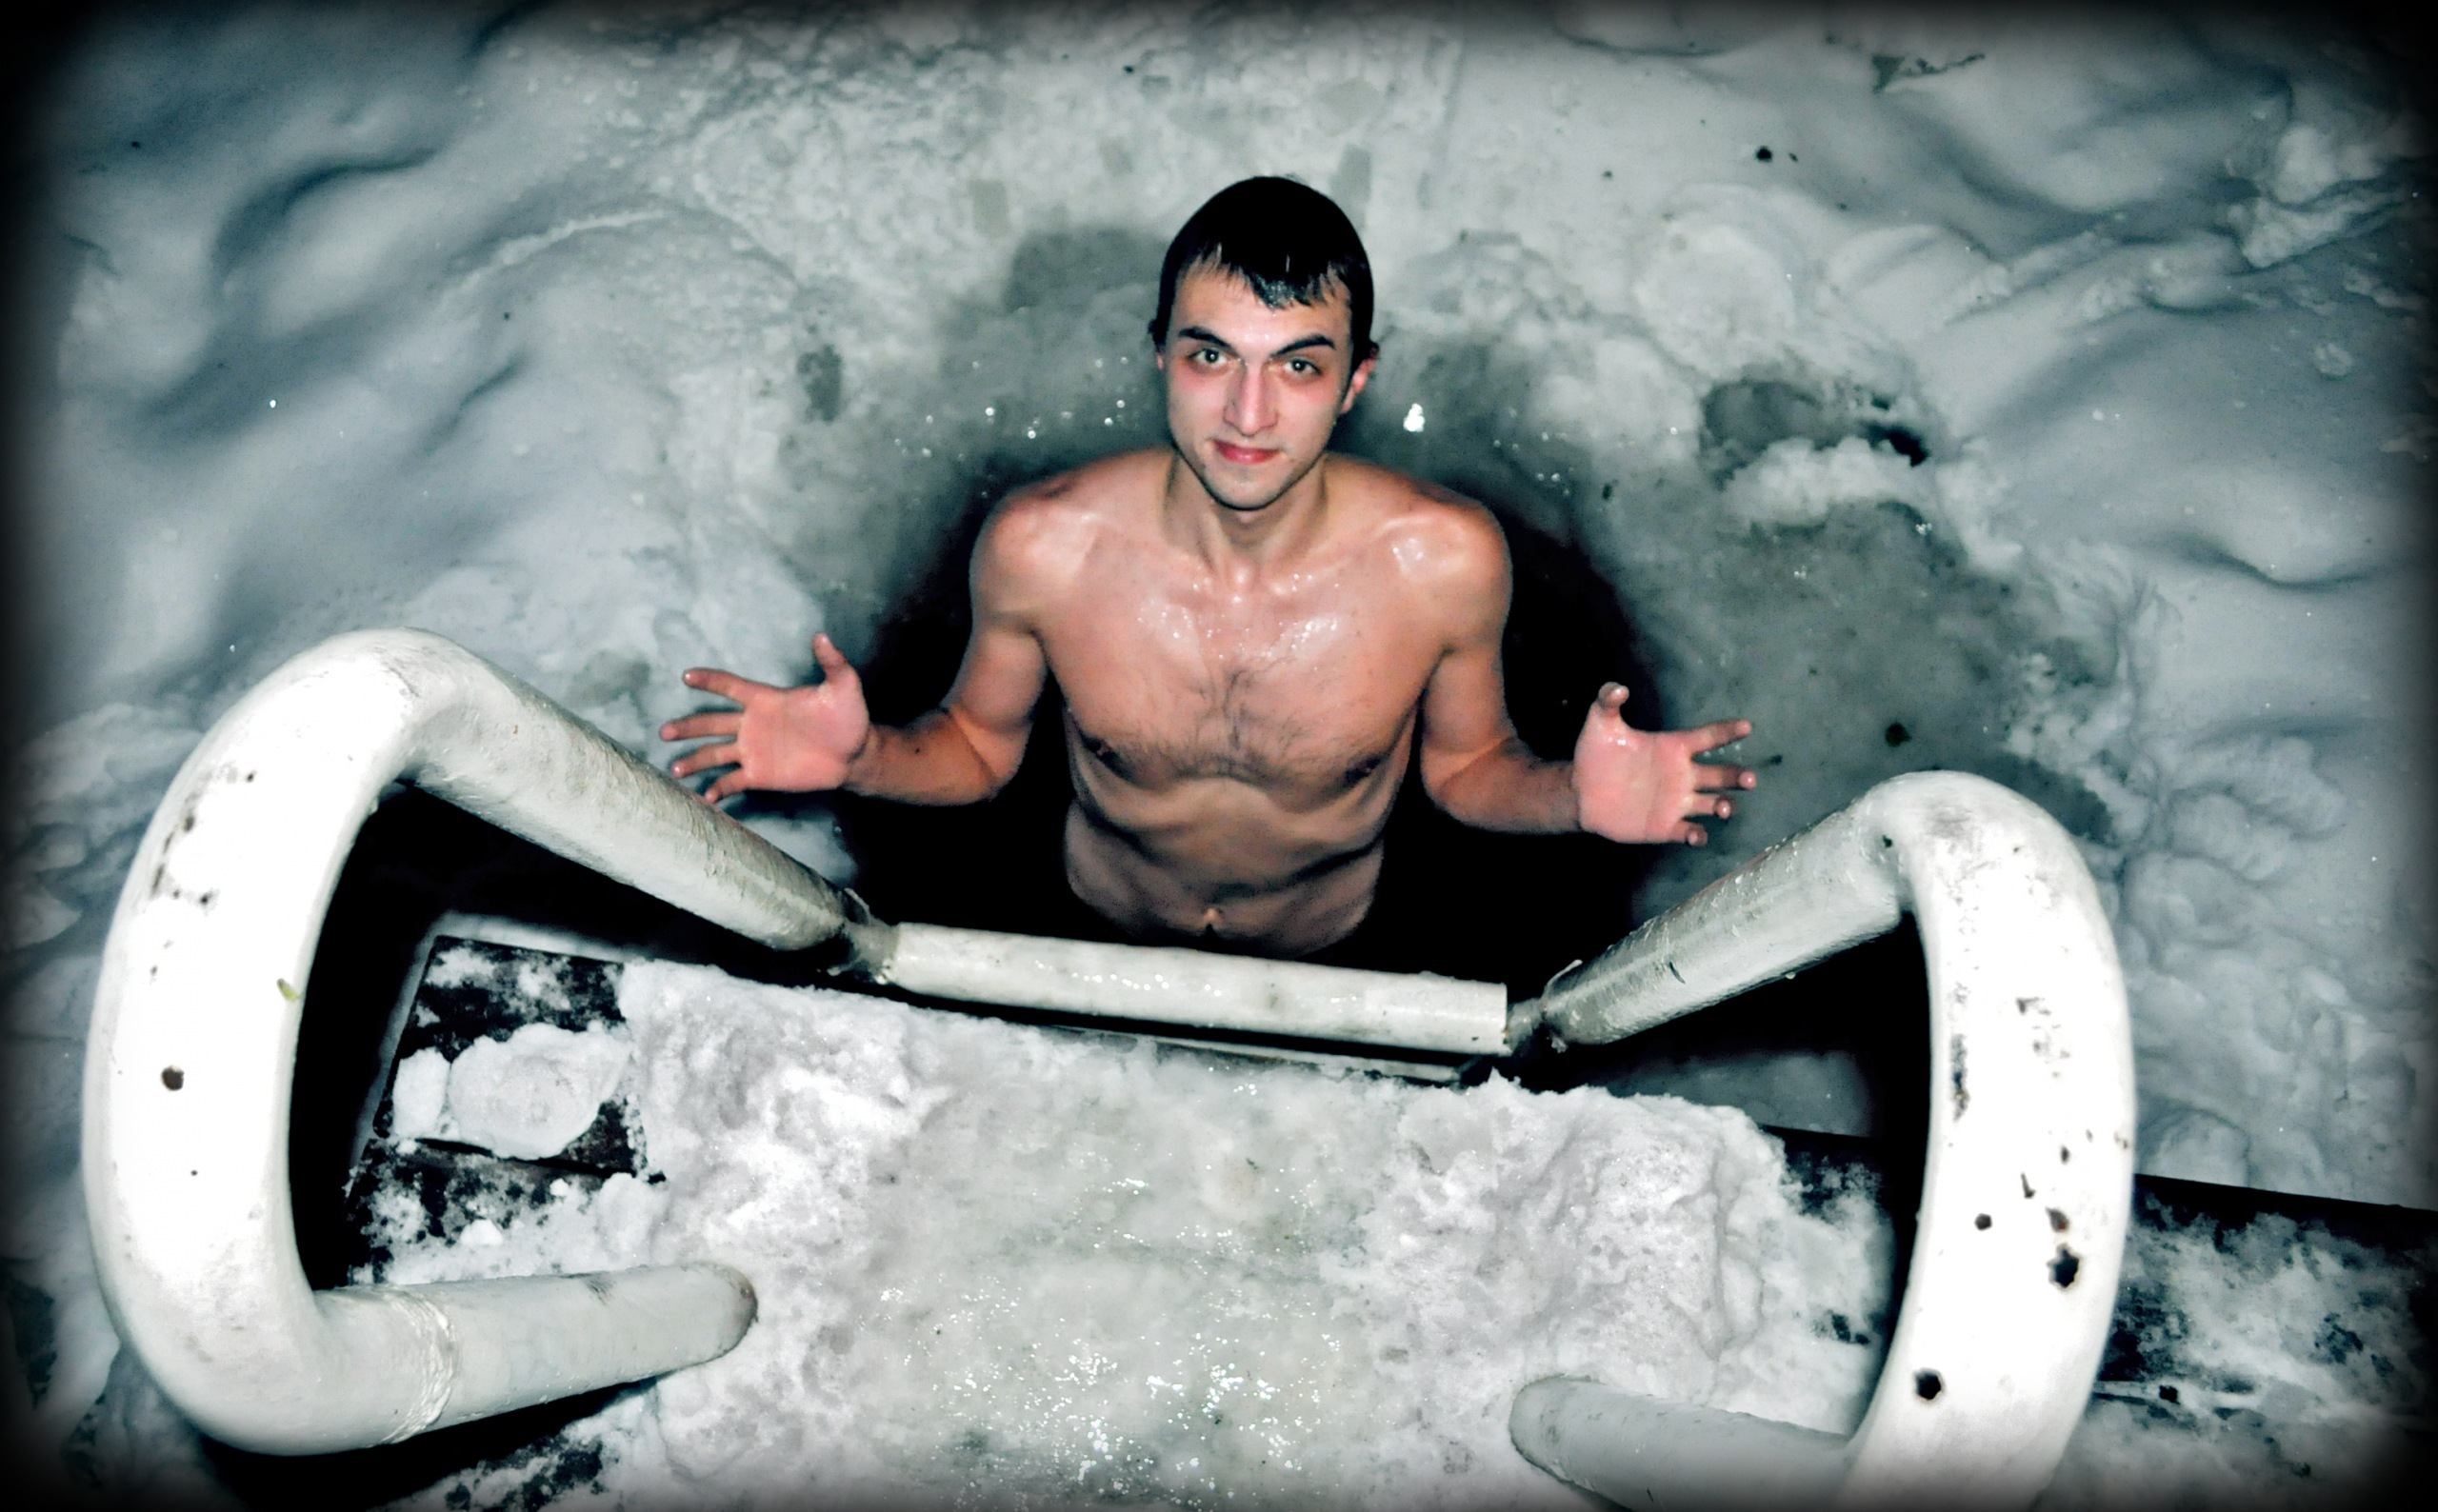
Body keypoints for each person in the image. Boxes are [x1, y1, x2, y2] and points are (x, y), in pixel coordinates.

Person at [661, 177, 1754, 961]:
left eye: (1298, 367)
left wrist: (1573, 797)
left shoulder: (1439, 562)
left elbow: (1465, 770)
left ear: (1356, 382)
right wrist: (859, 759)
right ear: (1160, 354)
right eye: (1210, 355)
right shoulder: (1048, 545)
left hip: (1335, 944)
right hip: (1090, 922)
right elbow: (979, 749)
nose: (1247, 412)